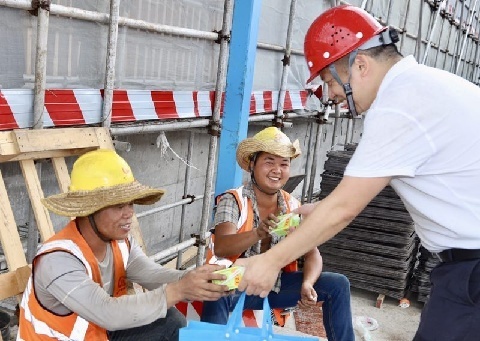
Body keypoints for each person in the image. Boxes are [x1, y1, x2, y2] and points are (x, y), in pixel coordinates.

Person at [235, 4, 480, 341]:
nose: (332, 96)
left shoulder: (398, 104)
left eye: (330, 82)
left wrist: (270, 261)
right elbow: (352, 197)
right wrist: (319, 211)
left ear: (360, 64)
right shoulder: (421, 86)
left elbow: (345, 208)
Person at [18, 149, 230, 341]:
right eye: (119, 205)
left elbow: (152, 275)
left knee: (170, 321)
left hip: (98, 335)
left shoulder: (120, 244)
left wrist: (197, 280)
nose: (129, 213)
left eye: (130, 203)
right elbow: (106, 312)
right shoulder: (57, 260)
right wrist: (180, 289)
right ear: (88, 210)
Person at [201, 127, 354, 340]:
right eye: (269, 162)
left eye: (284, 164)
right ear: (253, 164)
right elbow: (222, 247)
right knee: (216, 289)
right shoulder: (234, 199)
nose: (277, 170)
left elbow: (313, 254)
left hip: (275, 286)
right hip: (238, 285)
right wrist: (258, 233)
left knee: (338, 284)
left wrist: (307, 283)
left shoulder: (292, 205)